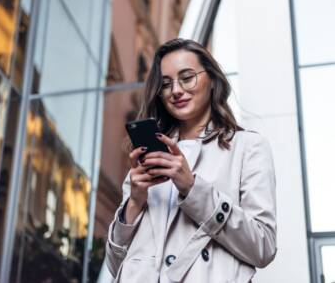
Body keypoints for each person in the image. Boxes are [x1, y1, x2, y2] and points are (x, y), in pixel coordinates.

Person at [105, 38, 277, 282]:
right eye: (165, 84)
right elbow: (115, 265)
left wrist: (193, 188)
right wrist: (134, 202)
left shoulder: (247, 147)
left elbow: (264, 247)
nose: (175, 90)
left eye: (187, 78)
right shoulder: (148, 158)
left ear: (212, 80)